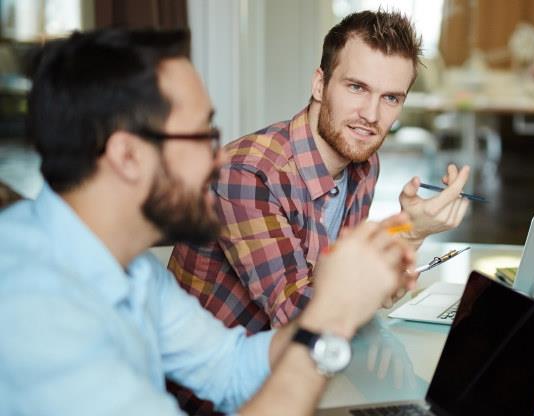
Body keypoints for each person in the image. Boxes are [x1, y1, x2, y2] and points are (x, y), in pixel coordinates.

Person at [0, 28, 415, 415]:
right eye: (202, 137)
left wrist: (333, 305)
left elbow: (230, 366)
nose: (220, 160)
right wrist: (331, 319)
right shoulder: (34, 311)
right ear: (128, 156)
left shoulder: (133, 271)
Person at [168, 10, 471, 334]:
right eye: (356, 87)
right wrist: (405, 238)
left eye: (391, 98)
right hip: (215, 377)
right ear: (319, 84)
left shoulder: (364, 164)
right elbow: (298, 315)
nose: (371, 115)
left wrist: (409, 232)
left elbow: (342, 285)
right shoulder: (248, 174)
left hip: (299, 362)